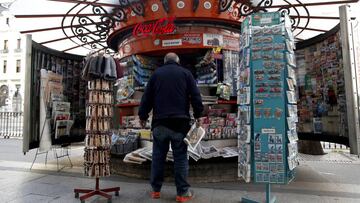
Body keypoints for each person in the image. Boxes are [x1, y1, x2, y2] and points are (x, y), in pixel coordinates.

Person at [138, 52, 204, 202]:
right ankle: (182, 193)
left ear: (165, 61)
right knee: (180, 158)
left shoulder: (156, 75)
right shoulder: (186, 74)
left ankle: (156, 190)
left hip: (160, 123)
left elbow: (146, 97)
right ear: (178, 61)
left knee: (158, 157)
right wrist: (199, 114)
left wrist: (143, 116)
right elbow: (196, 95)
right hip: (180, 124)